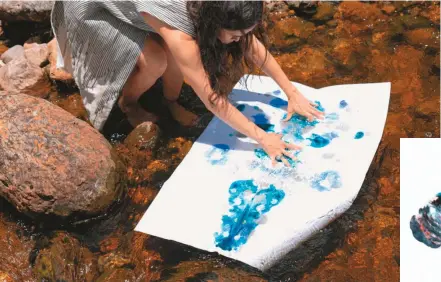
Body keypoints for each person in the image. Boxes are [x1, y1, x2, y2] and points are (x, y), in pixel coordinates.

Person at [51, 1, 324, 166]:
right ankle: (128, 104)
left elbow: (251, 46)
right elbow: (212, 99)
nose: (240, 39)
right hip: (95, 6)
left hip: (143, 6)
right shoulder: (182, 34)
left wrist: (291, 92)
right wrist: (263, 139)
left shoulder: (222, 7)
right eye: (235, 34)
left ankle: (170, 102)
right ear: (215, 22)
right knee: (157, 59)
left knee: (171, 54)